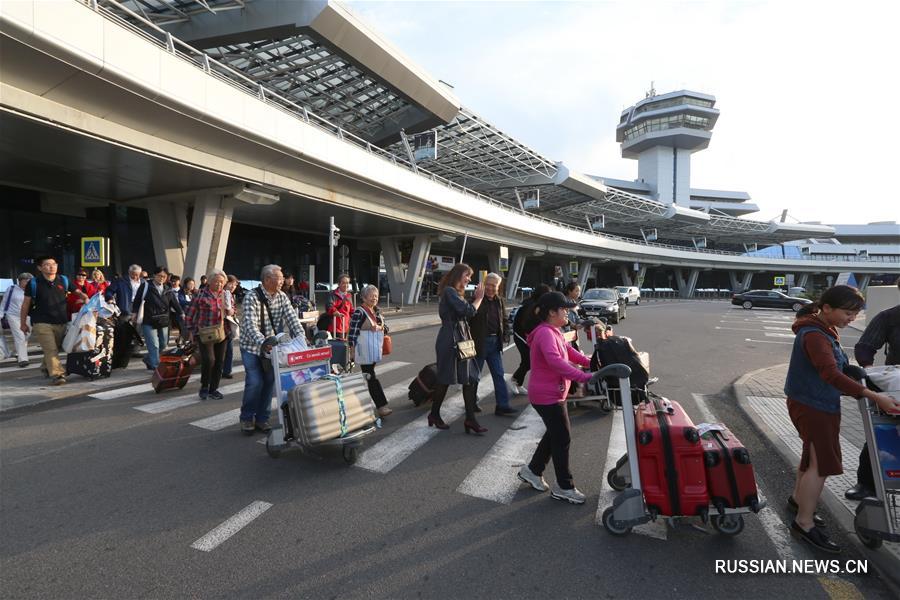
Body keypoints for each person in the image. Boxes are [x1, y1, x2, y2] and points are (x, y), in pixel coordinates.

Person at [783, 285, 900, 553]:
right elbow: (829, 375)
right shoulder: (815, 335)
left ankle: (797, 501)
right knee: (821, 464)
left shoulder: (821, 328)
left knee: (810, 457)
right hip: (814, 405)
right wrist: (873, 395)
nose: (852, 319)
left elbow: (833, 368)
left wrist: (852, 370)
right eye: (848, 313)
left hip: (810, 402)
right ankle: (804, 522)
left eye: (855, 314)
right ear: (827, 308)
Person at [517, 292, 602, 505]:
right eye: (564, 309)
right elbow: (556, 362)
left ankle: (533, 471)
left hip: (553, 393)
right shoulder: (546, 333)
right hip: (547, 395)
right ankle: (564, 486)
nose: (568, 312)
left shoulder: (553, 331)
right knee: (562, 438)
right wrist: (584, 376)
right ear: (551, 312)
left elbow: (569, 353)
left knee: (555, 435)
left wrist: (591, 363)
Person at [846, 277, 900, 500]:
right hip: (897, 387)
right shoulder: (890, 317)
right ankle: (866, 483)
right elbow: (865, 346)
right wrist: (869, 372)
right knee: (881, 433)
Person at [239, 264, 305, 434]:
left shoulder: (282, 296)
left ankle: (262, 419)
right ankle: (247, 418)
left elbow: (292, 320)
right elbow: (249, 325)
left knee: (270, 382)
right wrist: (263, 342)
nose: (283, 281)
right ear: (267, 279)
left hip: (272, 348)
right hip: (252, 347)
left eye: (283, 278)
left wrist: (302, 339)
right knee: (255, 382)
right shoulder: (251, 297)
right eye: (280, 278)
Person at [428, 263, 487, 434]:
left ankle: (470, 419)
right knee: (445, 378)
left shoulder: (455, 293)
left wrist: (474, 300)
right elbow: (468, 311)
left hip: (462, 337)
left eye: (470, 276)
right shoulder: (449, 291)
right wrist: (479, 298)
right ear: (458, 275)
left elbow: (465, 311)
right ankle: (434, 414)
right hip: (450, 338)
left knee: (470, 378)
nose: (469, 279)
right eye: (467, 275)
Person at [20, 256, 76, 385]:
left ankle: (46, 367)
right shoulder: (34, 283)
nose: (52, 266)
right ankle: (58, 374)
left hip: (61, 321)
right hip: (41, 322)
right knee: (51, 349)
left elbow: (78, 292)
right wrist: (23, 323)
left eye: (54, 264)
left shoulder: (63, 280)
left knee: (54, 348)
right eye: (47, 264)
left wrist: (85, 299)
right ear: (40, 268)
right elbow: (25, 304)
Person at [470, 272, 517, 416]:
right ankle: (471, 403)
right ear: (483, 284)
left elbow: (503, 318)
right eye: (488, 284)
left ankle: (502, 406)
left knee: (498, 374)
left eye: (494, 285)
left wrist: (506, 332)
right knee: (475, 376)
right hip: (479, 342)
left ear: (498, 286)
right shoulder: (476, 299)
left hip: (495, 343)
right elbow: (468, 317)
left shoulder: (499, 300)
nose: (490, 288)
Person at [348, 284, 393, 417]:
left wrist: (379, 328)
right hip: (363, 349)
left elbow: (387, 328)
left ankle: (361, 404)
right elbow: (352, 332)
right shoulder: (360, 312)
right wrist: (352, 350)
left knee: (368, 376)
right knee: (370, 376)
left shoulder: (377, 311)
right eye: (371, 296)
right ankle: (381, 406)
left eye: (376, 296)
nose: (374, 298)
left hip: (373, 349)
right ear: (364, 297)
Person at [184, 270, 229, 400]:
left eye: (222, 282)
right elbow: (189, 315)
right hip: (204, 333)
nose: (219, 284)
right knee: (209, 360)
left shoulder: (226, 295)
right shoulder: (200, 295)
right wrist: (192, 331)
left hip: (223, 332)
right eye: (216, 281)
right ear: (209, 281)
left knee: (220, 362)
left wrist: (231, 311)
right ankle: (204, 386)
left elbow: (232, 311)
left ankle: (213, 389)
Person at [132, 266, 182, 370]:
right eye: (159, 276)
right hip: (149, 320)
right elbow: (137, 300)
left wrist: (181, 313)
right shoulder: (146, 286)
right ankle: (156, 366)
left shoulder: (168, 289)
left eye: (164, 276)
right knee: (154, 345)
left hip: (163, 320)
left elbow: (174, 303)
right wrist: (134, 313)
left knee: (163, 344)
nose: (162, 278)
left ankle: (149, 359)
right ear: (154, 275)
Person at [511, 284, 552, 395]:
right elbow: (526, 325)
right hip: (521, 335)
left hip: (529, 335)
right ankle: (514, 380)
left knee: (528, 361)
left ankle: (518, 383)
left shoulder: (538, 304)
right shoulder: (531, 305)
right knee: (528, 360)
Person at [2, 273, 34, 367]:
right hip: (13, 316)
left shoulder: (32, 290)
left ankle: (17, 352)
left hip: (28, 315)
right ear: (20, 281)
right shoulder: (11, 289)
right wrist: (1, 314)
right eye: (25, 280)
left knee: (26, 335)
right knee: (20, 336)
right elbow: (4, 301)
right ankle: (23, 359)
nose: (28, 282)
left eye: (29, 281)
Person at [222, 274, 240, 379]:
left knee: (227, 349)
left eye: (235, 285)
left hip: (226, 325)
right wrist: (233, 311)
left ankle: (225, 370)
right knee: (228, 350)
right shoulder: (227, 293)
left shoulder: (228, 294)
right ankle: (226, 371)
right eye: (231, 284)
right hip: (226, 325)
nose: (233, 287)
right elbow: (229, 311)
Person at [326, 274, 353, 338]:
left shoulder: (349, 295)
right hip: (336, 325)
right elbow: (329, 306)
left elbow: (351, 310)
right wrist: (335, 312)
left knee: (344, 344)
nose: (346, 285)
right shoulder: (333, 294)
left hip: (346, 325)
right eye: (343, 283)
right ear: (338, 284)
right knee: (339, 344)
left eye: (347, 283)